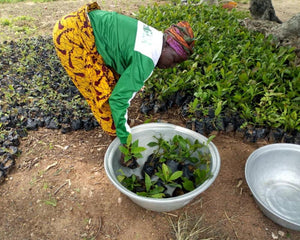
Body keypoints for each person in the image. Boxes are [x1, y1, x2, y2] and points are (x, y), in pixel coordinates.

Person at [53, 2, 195, 144]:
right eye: (174, 59)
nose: (172, 66)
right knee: (102, 92)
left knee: (115, 82)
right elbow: (118, 100)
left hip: (82, 22)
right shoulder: (146, 59)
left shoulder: (154, 36)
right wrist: (125, 142)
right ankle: (117, 140)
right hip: (73, 37)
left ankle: (121, 125)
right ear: (166, 46)